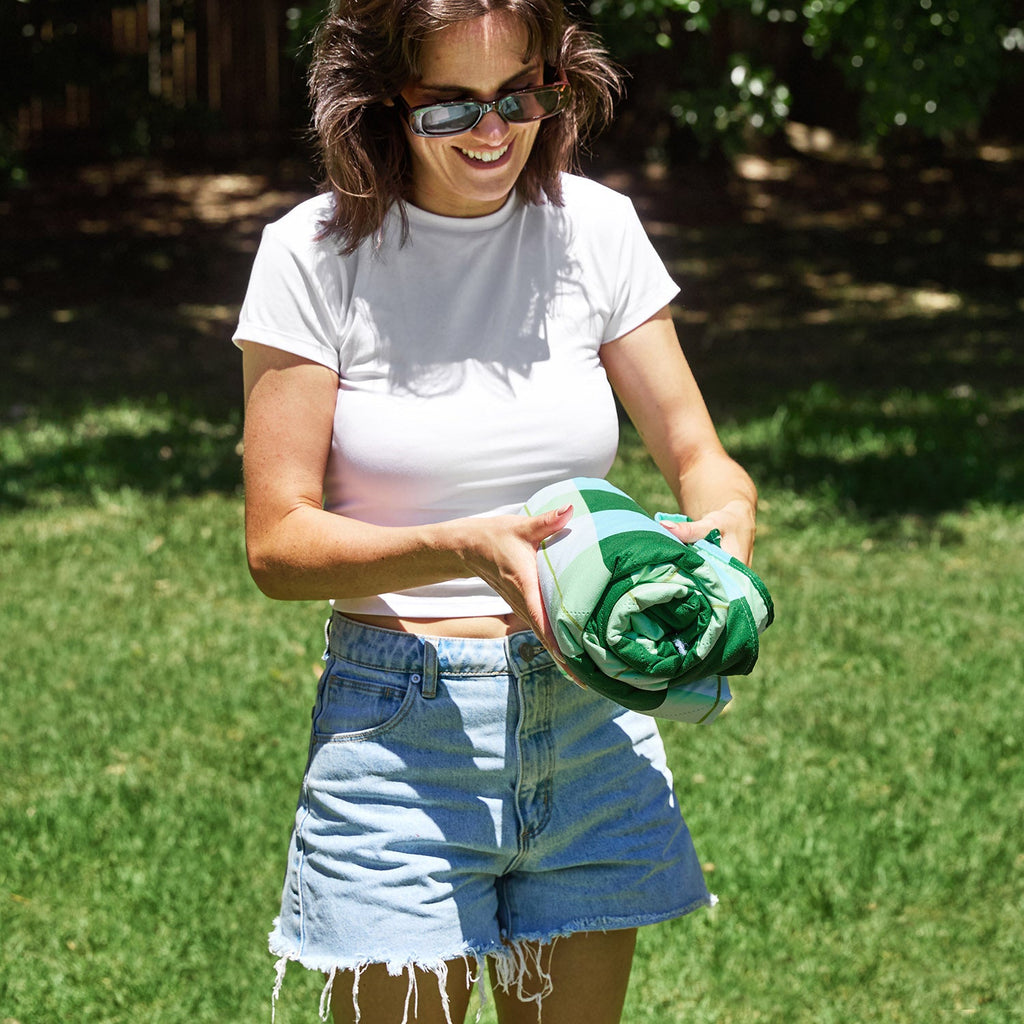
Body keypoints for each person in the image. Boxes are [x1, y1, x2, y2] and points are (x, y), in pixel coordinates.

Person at [233, 1, 758, 1021]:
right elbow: (277, 542)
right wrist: (462, 545)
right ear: (387, 99)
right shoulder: (312, 256)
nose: (491, 132)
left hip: (591, 718)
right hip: (400, 731)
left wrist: (723, 540)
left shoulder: (593, 231)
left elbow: (705, 460)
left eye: (519, 96)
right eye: (452, 107)